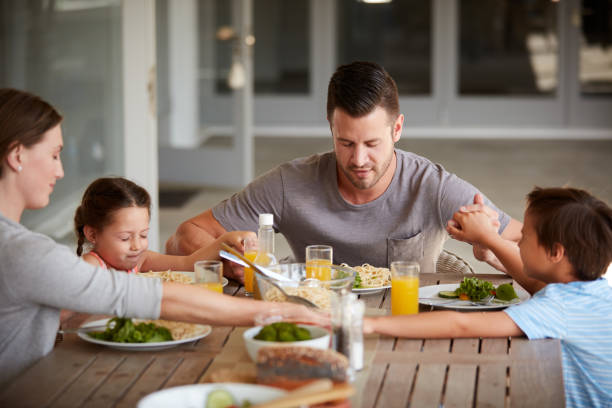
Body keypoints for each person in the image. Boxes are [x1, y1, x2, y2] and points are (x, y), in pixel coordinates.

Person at [0, 88, 323, 386]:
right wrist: (287, 312)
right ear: (17, 156)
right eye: (55, 154)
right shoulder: (23, 253)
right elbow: (155, 296)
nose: (60, 171)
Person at [166, 61, 521, 278]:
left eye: (372, 144)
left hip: (408, 323)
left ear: (397, 129)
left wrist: (491, 247)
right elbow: (183, 237)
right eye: (346, 143)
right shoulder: (290, 183)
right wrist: (232, 259)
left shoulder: (433, 186)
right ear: (331, 128)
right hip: (314, 321)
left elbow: (532, 245)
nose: (359, 160)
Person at [363, 187, 612, 407]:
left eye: (524, 237)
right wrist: (490, 246)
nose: (519, 243)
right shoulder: (592, 291)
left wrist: (369, 322)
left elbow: (460, 325)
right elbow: (535, 283)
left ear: (556, 252)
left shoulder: (557, 307)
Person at [74, 177, 254, 273]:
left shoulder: (140, 260)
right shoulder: (91, 268)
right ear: (92, 234)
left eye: (143, 235)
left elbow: (188, 263)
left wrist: (225, 241)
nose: (137, 246)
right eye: (125, 238)